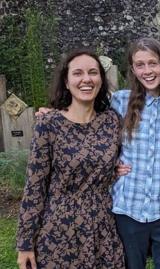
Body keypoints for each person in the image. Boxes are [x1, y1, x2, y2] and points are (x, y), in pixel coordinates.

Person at [16, 49, 125, 268]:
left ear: (101, 81)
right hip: (59, 229)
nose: (86, 79)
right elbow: (34, 187)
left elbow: (131, 154)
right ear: (66, 82)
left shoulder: (112, 121)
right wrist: (25, 244)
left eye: (93, 72)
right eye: (78, 73)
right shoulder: (48, 124)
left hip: (103, 226)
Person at [110, 37, 160, 269]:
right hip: (128, 206)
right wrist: (110, 164)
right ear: (132, 69)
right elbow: (91, 132)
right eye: (140, 64)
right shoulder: (118, 102)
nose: (147, 70)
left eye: (152, 63)